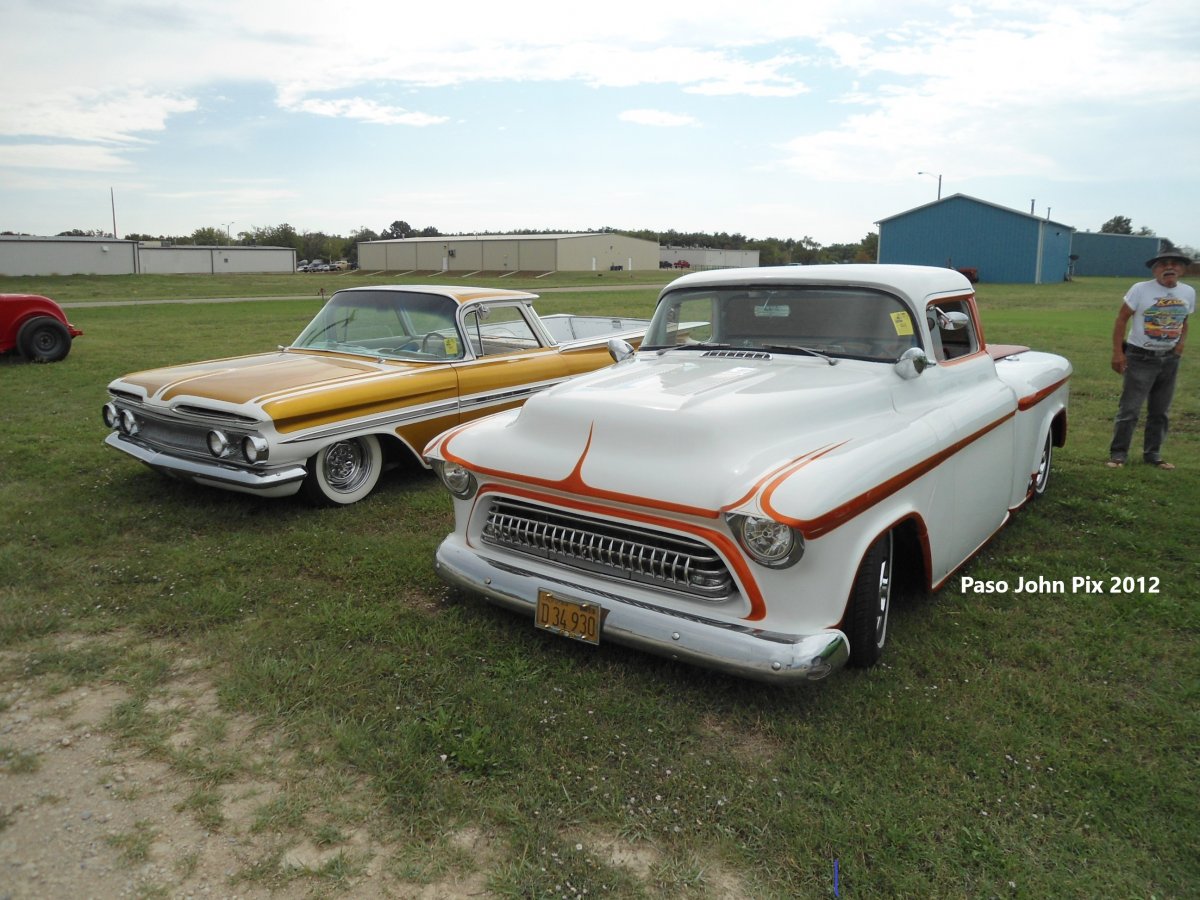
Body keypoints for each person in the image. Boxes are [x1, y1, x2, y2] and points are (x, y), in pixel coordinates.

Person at [1107, 250, 1194, 469]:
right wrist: (1118, 353)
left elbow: (1184, 320)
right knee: (1130, 409)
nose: (1169, 267)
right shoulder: (1140, 289)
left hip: (1169, 359)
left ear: (1183, 269)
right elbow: (1121, 320)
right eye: (1163, 264)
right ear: (1155, 269)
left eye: (1175, 264)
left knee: (1160, 410)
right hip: (1140, 357)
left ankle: (1153, 454)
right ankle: (1118, 455)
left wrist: (1180, 345)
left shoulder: (1189, 292)